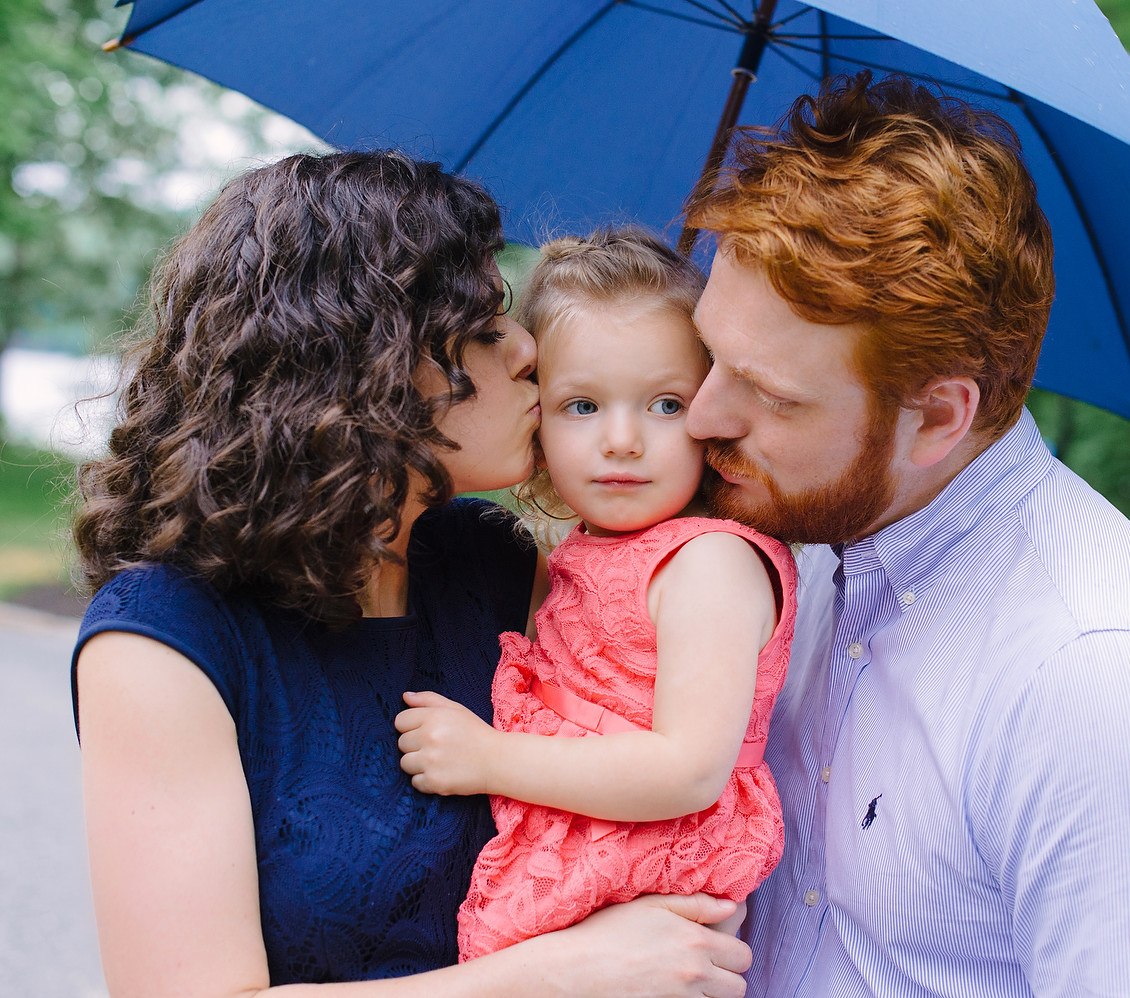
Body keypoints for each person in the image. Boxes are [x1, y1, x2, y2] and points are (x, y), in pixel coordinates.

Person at [71, 152, 750, 997]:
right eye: (484, 325)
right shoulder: (165, 639)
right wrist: (560, 974)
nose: (530, 350)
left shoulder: (496, 561)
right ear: (368, 363)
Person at [681, 72, 1130, 997]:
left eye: (769, 394)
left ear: (936, 418)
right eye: (708, 355)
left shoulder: (1105, 687)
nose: (700, 416)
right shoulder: (801, 545)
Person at [389, 228, 794, 960]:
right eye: (582, 406)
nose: (622, 440)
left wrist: (488, 757)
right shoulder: (580, 553)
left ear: (712, 410)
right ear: (536, 413)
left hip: (647, 866)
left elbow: (689, 769)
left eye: (665, 405)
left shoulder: (708, 564)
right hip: (584, 854)